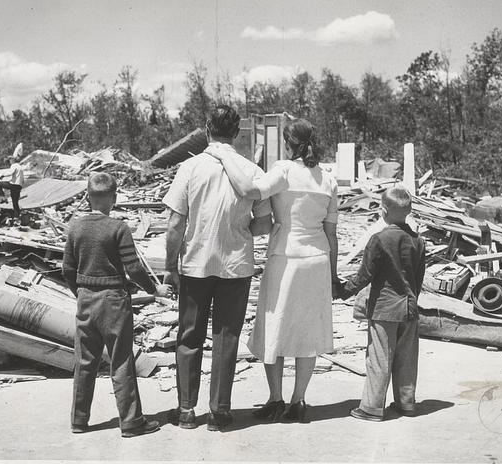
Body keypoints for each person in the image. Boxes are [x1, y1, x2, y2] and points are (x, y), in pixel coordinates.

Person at [208, 118, 339, 423]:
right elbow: (331, 233)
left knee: (274, 327)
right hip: (317, 258)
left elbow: (250, 189)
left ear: (287, 143)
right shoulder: (327, 179)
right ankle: (299, 401)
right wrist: (333, 276)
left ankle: (275, 399)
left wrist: (226, 155)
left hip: (286, 255)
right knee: (307, 332)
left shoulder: (283, 170)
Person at [162, 105, 272, 432]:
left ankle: (185, 410)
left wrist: (171, 267)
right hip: (236, 265)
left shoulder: (191, 167)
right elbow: (264, 224)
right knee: (226, 337)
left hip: (196, 263)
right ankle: (220, 411)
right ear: (237, 133)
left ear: (207, 129)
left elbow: (175, 223)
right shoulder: (252, 170)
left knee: (189, 336)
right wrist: (238, 232)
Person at [63, 172, 166, 437]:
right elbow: (133, 267)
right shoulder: (118, 228)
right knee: (121, 360)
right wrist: (155, 289)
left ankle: (79, 420)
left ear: (87, 197)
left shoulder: (75, 228)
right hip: (114, 301)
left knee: (85, 361)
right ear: (114, 198)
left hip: (86, 299)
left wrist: (81, 292)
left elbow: (67, 269)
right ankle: (131, 422)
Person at [345, 185, 426, 422]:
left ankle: (371, 408)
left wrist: (342, 290)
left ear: (383, 211)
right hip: (410, 308)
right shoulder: (418, 241)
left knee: (379, 357)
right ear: (409, 211)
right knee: (406, 358)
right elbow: (418, 279)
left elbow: (364, 275)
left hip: (384, 309)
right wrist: (411, 300)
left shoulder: (379, 239)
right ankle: (406, 403)